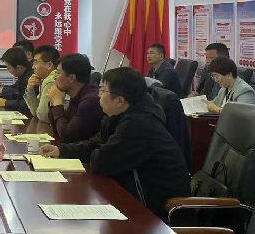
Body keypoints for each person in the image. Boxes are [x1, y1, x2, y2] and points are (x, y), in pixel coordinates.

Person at [40, 66, 190, 219]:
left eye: (102, 90)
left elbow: (102, 162)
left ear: (119, 101)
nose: (98, 95)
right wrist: (62, 150)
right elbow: (97, 144)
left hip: (156, 209)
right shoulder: (121, 115)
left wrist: (95, 152)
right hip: (135, 196)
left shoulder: (139, 124)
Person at [45, 53, 103, 143]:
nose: (54, 77)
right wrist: (54, 101)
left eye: (58, 72)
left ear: (71, 78)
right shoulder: (77, 95)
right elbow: (57, 130)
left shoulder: (90, 101)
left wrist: (57, 102)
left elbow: (66, 136)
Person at [23, 45, 60, 123]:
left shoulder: (51, 80)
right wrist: (30, 89)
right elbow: (36, 113)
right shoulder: (44, 79)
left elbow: (42, 116)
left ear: (49, 65)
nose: (33, 67)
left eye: (36, 62)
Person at [0, 47, 33, 114]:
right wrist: (2, 90)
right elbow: (16, 89)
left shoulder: (30, 77)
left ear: (18, 68)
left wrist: (6, 103)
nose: (8, 71)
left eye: (9, 68)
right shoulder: (24, 73)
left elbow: (27, 104)